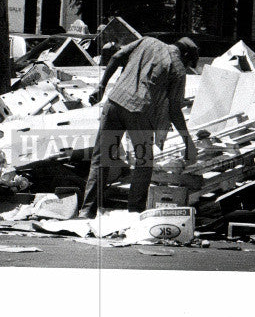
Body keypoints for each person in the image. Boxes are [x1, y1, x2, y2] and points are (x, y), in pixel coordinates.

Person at [79, 36, 199, 218]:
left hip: (114, 101)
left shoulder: (147, 41)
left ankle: (87, 212)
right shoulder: (178, 69)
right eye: (189, 62)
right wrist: (187, 140)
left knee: (102, 158)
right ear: (185, 55)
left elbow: (115, 57)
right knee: (144, 163)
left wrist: (101, 86)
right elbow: (174, 109)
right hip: (140, 111)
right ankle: (135, 212)